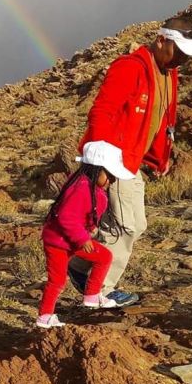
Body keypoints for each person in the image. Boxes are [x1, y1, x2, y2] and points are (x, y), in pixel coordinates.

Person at [68, 17, 192, 306]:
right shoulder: (130, 67)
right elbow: (102, 111)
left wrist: (159, 157)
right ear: (161, 41)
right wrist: (99, 161)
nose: (182, 59)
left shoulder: (168, 73)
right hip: (114, 160)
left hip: (132, 160)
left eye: (187, 55)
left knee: (132, 224)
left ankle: (80, 267)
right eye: (179, 51)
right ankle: (100, 291)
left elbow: (161, 119)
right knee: (127, 225)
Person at [36, 141, 135, 329]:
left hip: (70, 241)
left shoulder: (88, 185)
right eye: (110, 176)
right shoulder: (81, 188)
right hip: (58, 242)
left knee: (104, 256)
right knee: (56, 281)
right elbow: (66, 216)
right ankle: (44, 317)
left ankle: (91, 296)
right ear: (96, 170)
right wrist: (82, 239)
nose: (111, 181)